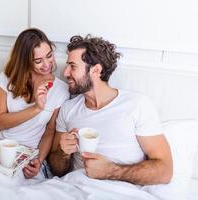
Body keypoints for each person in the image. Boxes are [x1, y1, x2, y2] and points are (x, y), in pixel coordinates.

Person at [48, 35, 173, 185]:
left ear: (96, 70)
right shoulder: (68, 109)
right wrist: (63, 153)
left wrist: (111, 171)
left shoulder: (136, 104)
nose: (65, 73)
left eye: (73, 66)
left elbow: (165, 170)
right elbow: (56, 169)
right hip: (72, 188)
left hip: (118, 191)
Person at [0, 28, 69, 179]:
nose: (47, 64)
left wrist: (39, 161)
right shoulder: (7, 78)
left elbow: (49, 132)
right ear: (25, 61)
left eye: (49, 56)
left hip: (28, 154)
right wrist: (36, 109)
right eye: (38, 61)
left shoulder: (61, 90)